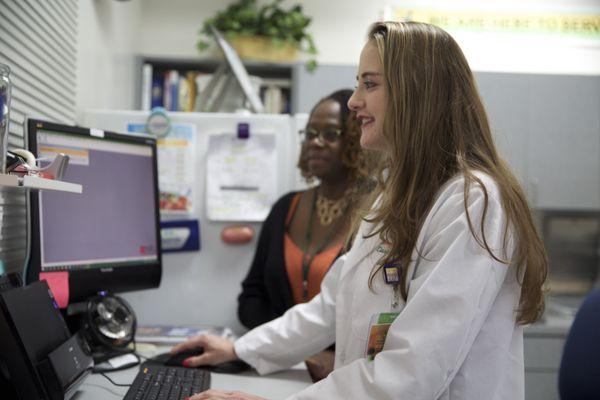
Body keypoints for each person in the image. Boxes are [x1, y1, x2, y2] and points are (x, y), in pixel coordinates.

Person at [172, 21, 548, 400]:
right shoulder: (394, 198)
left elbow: (414, 369)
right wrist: (239, 350)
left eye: (369, 84)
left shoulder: (472, 202)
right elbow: (331, 305)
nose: (354, 101)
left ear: (416, 93)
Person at [237, 89, 373, 381]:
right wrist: (293, 349)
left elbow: (373, 313)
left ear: (355, 140)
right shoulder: (286, 208)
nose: (315, 142)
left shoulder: (377, 211)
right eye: (310, 133)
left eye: (330, 134)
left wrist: (329, 354)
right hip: (281, 369)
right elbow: (250, 298)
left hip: (347, 374)